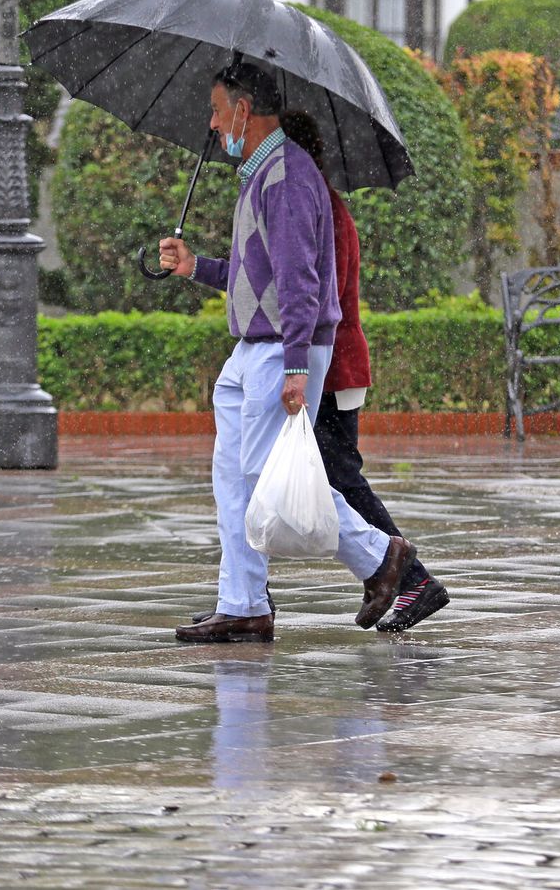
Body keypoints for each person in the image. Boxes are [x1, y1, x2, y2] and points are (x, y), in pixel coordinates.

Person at [159, 62, 413, 642]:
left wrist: (297, 364)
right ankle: (244, 604)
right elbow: (260, 276)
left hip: (280, 349)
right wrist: (196, 266)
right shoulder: (262, 174)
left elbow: (300, 280)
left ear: (244, 112)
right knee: (234, 478)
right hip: (253, 348)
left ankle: (379, 557)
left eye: (218, 109)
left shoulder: (289, 178)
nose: (213, 121)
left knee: (262, 474)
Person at [278, 112, 450, 633]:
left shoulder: (322, 211)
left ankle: (411, 577)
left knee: (340, 478)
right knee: (335, 477)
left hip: (333, 367)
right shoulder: (325, 206)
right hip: (334, 365)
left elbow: (314, 294)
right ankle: (406, 577)